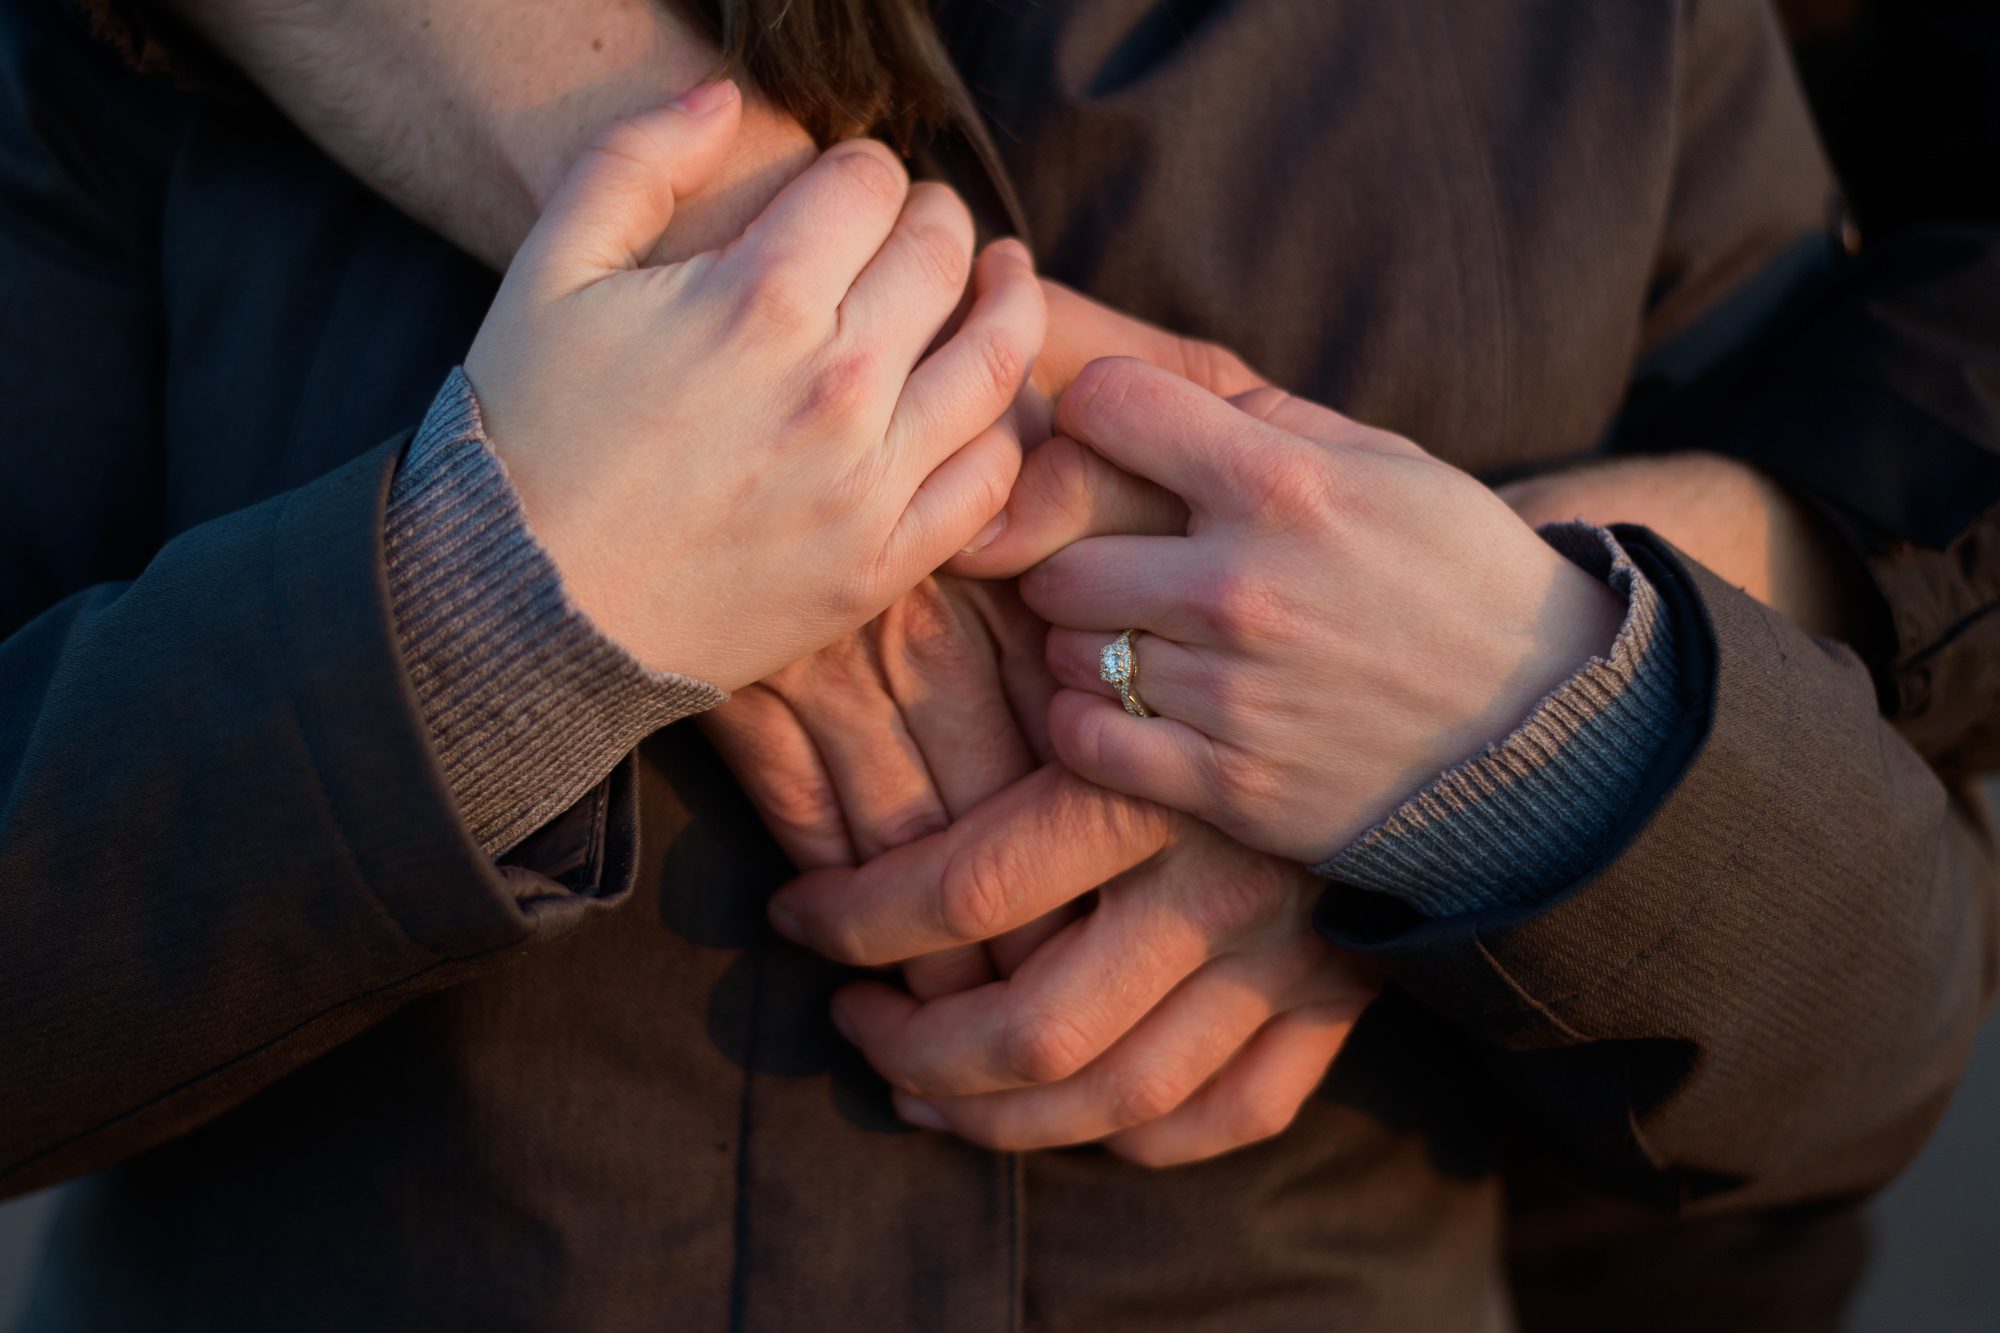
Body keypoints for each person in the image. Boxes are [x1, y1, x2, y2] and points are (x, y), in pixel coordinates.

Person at [2, 2, 1994, 1330]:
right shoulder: (161, 66)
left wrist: (1543, 721)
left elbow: (1863, 1054)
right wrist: (486, 618)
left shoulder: (1599, 49)